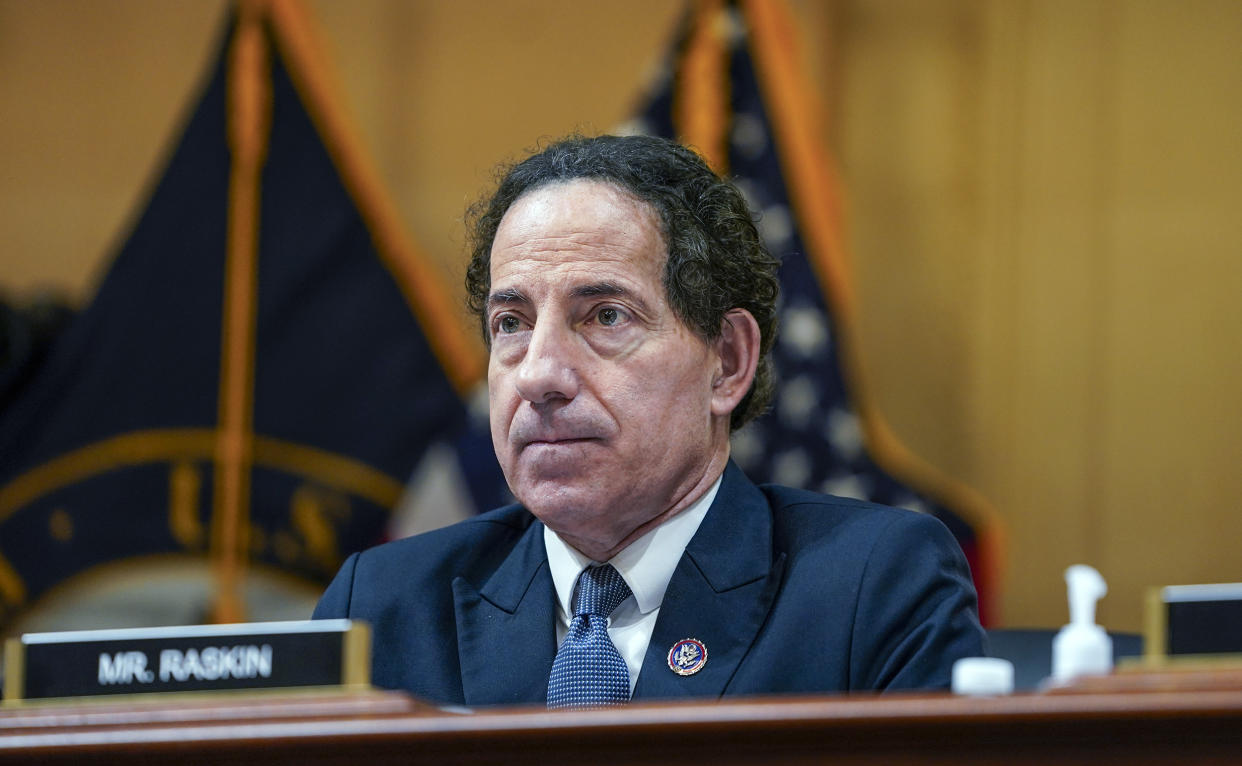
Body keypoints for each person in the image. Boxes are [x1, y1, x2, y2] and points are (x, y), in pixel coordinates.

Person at [314, 134, 984, 707]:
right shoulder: (380, 609)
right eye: (511, 323)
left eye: (605, 315)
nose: (539, 374)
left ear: (727, 361)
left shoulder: (872, 589)